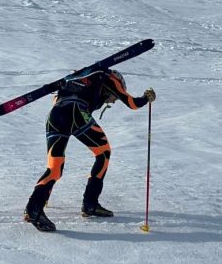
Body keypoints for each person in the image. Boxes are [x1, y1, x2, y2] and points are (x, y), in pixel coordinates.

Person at [24, 68, 156, 232]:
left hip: (54, 116)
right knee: (103, 153)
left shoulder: (73, 82)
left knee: (55, 168)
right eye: (112, 98)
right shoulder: (110, 77)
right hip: (76, 112)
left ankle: (33, 208)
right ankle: (90, 204)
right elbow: (132, 103)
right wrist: (146, 97)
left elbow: (59, 101)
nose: (111, 101)